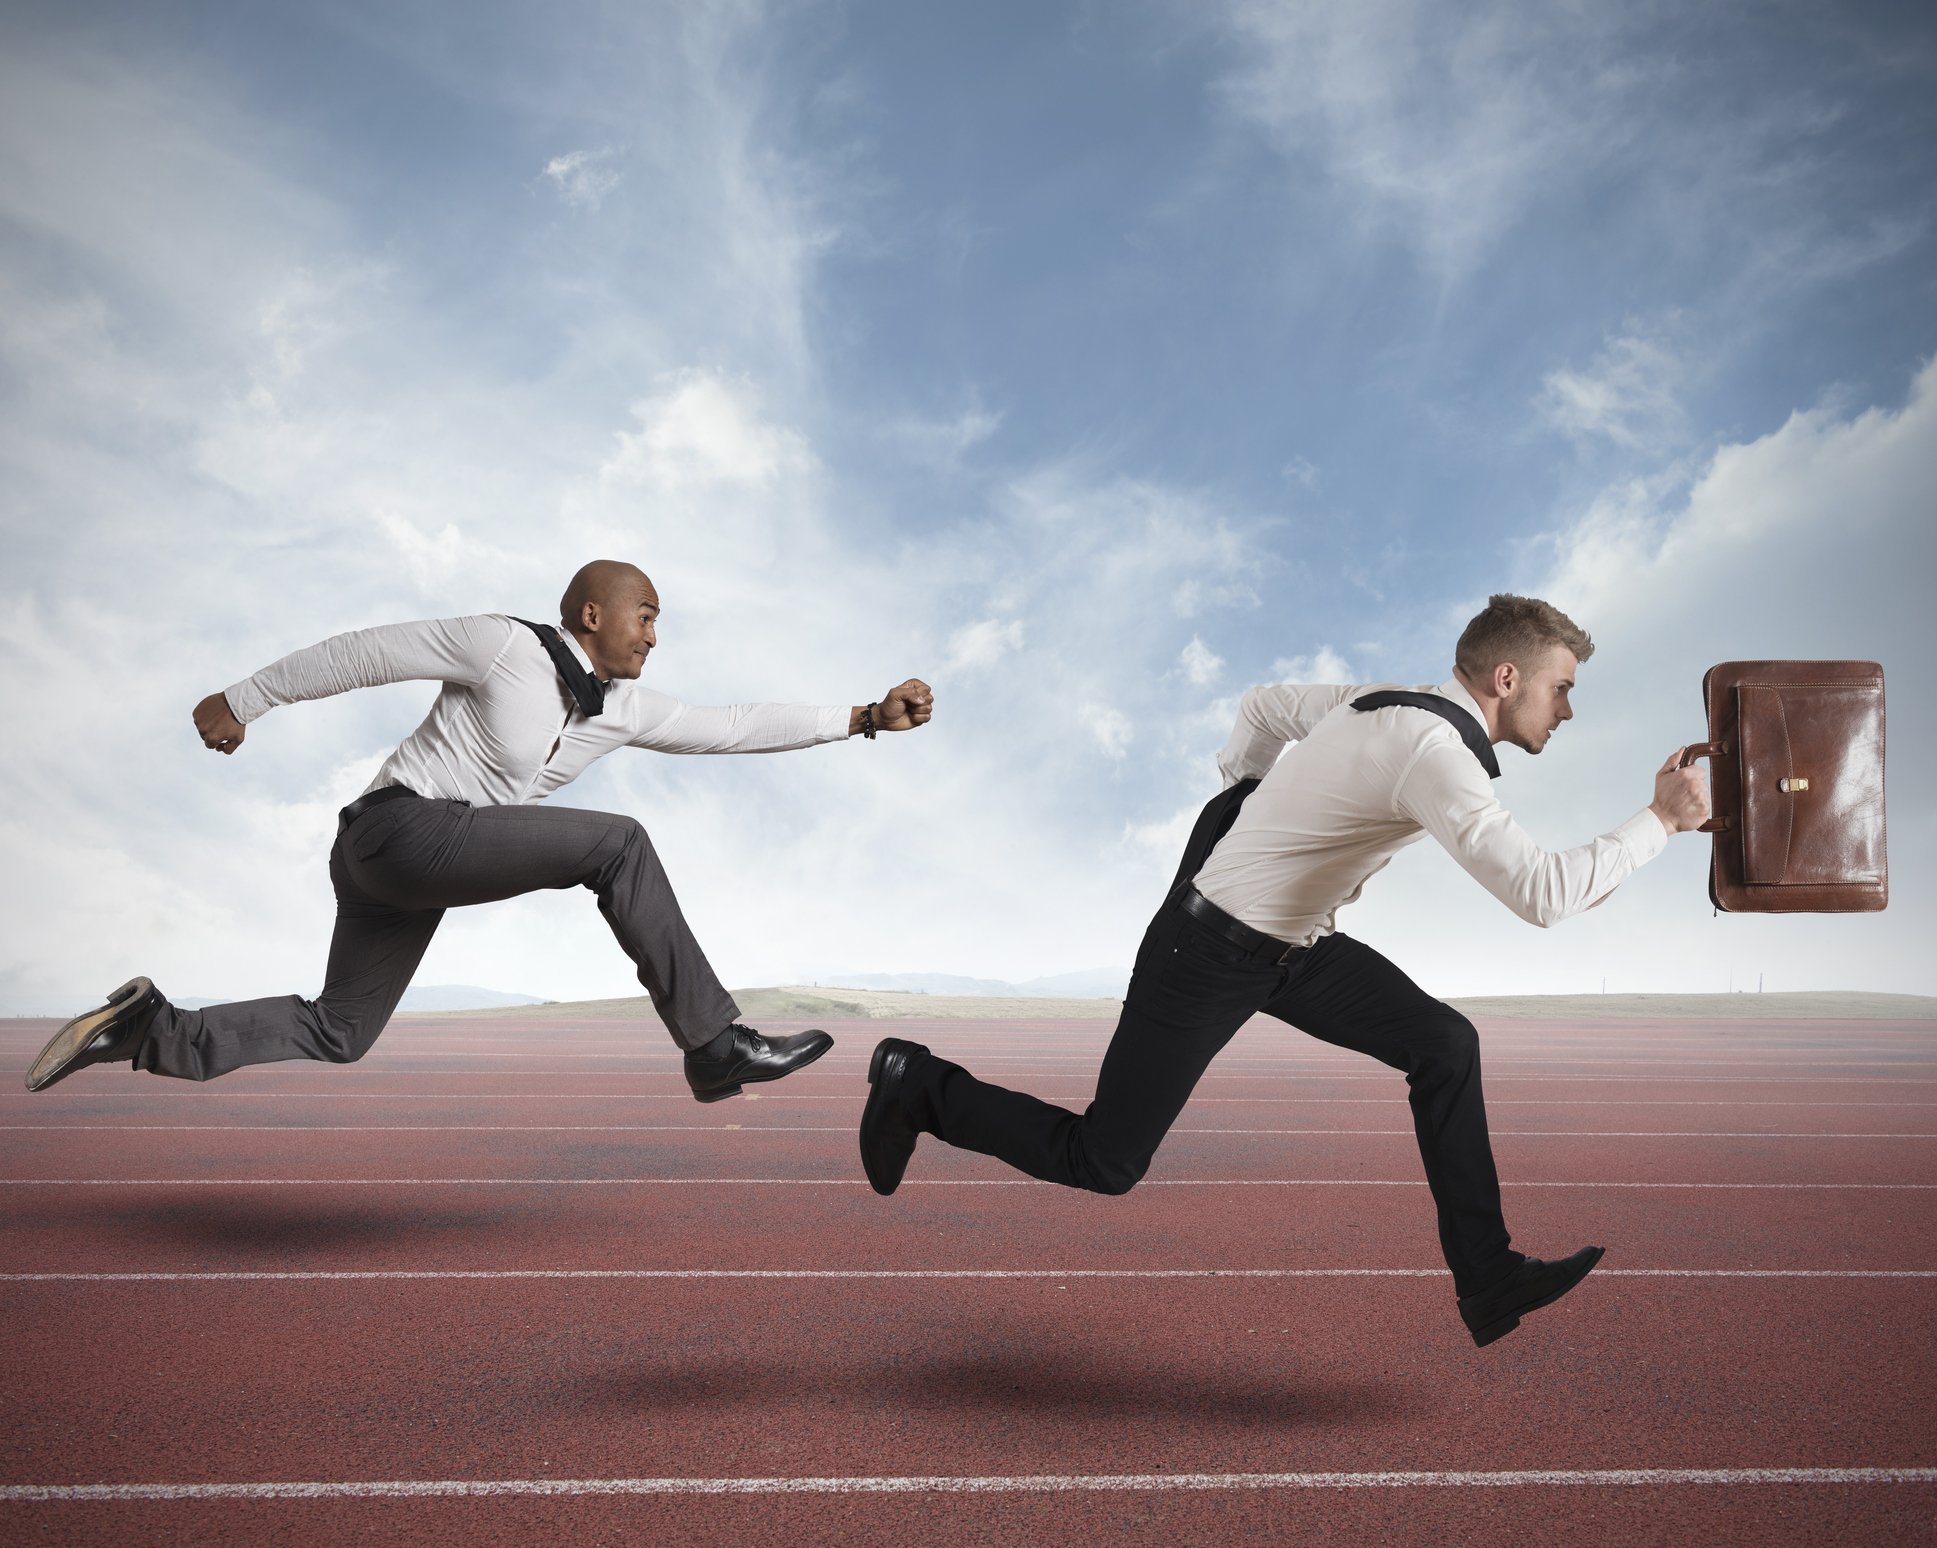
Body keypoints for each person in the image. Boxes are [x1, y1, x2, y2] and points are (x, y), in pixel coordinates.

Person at [860, 594, 1708, 1347]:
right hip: (1208, 954)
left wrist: (1243, 808)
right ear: (1507, 677)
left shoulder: (1376, 701)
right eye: (1561, 688)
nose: (1568, 710)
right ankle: (919, 1084)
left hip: (1297, 952)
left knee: (1443, 1044)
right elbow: (1541, 895)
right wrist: (1658, 823)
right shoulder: (1435, 753)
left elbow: (1261, 706)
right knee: (1104, 1161)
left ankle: (1487, 1279)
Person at [30, 560, 933, 1102]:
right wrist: (242, 699)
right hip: (397, 833)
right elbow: (366, 652)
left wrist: (859, 716)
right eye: (646, 615)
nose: (655, 636)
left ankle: (149, 1032)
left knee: (343, 1030)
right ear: (592, 613)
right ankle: (714, 1045)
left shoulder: (620, 710)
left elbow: (730, 725)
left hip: (407, 870)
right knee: (616, 842)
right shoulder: (504, 646)